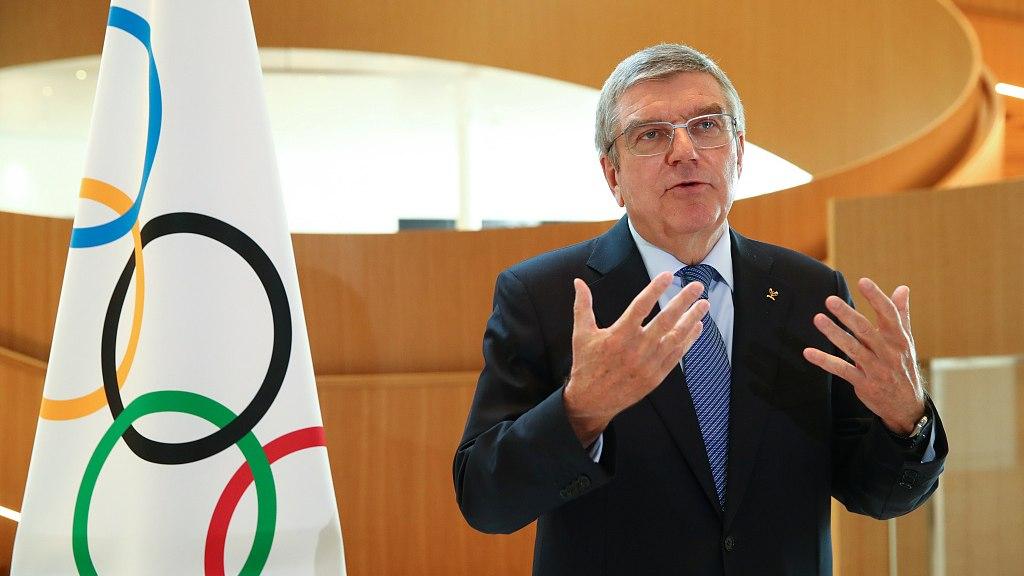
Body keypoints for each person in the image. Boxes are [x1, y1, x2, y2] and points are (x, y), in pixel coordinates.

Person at [453, 43, 946, 576]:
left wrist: (907, 420)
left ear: (739, 152)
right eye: (651, 135)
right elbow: (485, 499)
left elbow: (876, 494)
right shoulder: (546, 295)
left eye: (707, 126)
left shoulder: (810, 291)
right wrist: (580, 411)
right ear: (613, 176)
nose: (685, 151)